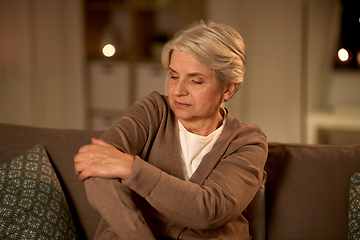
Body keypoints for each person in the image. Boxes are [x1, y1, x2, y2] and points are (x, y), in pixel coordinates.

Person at [74, 20, 267, 240]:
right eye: (173, 76)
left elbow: (209, 210)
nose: (178, 91)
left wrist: (131, 169)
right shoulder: (152, 111)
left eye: (195, 80)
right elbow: (95, 170)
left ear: (228, 89)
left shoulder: (248, 142)